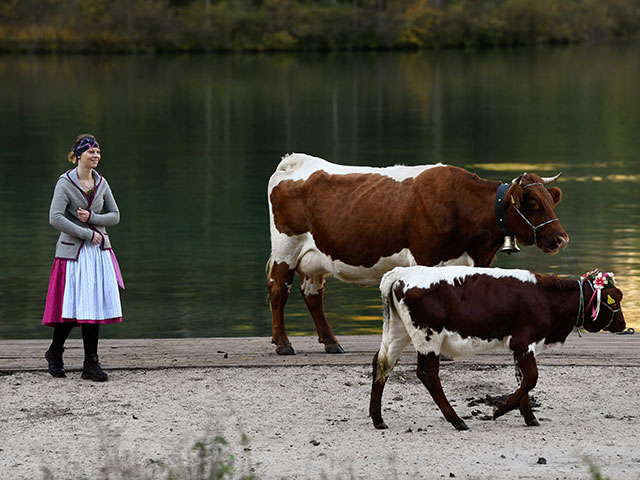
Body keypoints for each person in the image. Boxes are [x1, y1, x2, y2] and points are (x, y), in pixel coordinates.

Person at [42, 134, 124, 382]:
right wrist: (86, 233)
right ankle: (55, 351)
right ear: (79, 155)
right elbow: (55, 218)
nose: (96, 156)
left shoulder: (102, 182)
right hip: (73, 253)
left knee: (94, 307)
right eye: (91, 152)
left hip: (99, 252)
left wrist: (93, 220)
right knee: (73, 307)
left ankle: (91, 364)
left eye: (98, 152)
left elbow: (115, 215)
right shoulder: (65, 183)